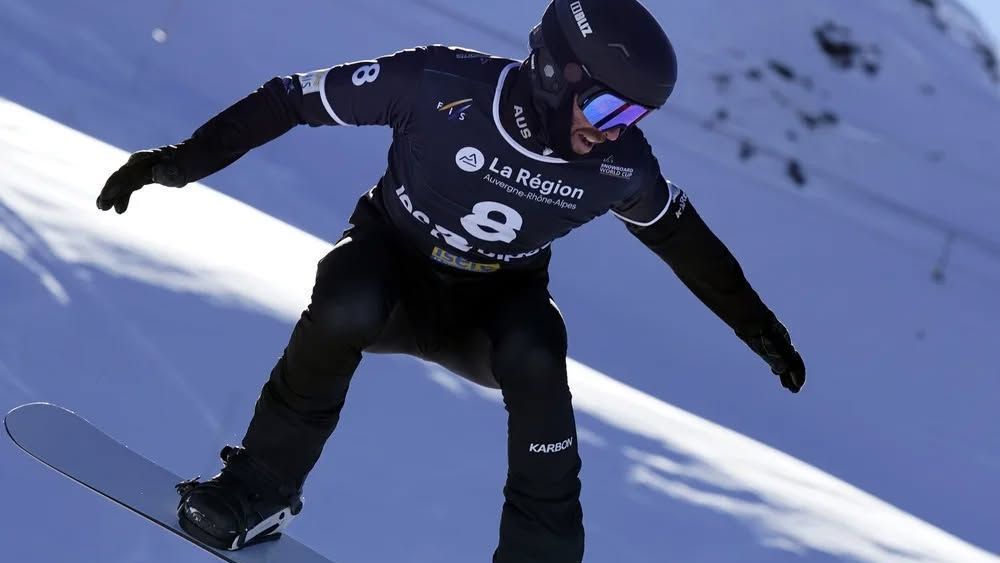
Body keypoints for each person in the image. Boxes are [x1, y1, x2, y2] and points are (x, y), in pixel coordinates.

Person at [96, 0, 806, 561]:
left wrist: (762, 330)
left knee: (537, 351)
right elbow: (290, 99)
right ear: (559, 74)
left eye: (637, 117)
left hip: (492, 308)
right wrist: (176, 164)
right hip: (393, 273)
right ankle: (260, 489)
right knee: (348, 293)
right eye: (609, 109)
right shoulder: (437, 84)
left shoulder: (620, 167)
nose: (616, 133)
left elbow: (683, 239)